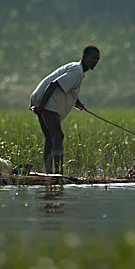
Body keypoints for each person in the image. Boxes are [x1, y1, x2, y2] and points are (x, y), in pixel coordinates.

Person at [29, 45, 100, 174]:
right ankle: (58, 173)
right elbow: (54, 84)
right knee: (58, 136)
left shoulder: (76, 69)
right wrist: (40, 107)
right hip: (47, 102)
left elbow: (66, 87)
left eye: (97, 59)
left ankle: (50, 173)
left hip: (41, 99)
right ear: (84, 57)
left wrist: (76, 102)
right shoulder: (76, 72)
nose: (95, 61)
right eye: (93, 58)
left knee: (50, 138)